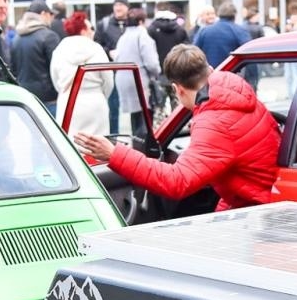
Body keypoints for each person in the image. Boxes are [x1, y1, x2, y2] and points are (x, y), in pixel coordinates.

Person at [73, 44, 280, 212]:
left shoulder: (214, 122)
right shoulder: (233, 90)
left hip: (257, 213)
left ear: (177, 90)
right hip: (253, 199)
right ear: (209, 70)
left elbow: (177, 181)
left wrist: (114, 154)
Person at [50, 12, 112, 135]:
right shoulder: (96, 49)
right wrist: (101, 94)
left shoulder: (60, 50)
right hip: (94, 100)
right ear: (83, 31)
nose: (92, 32)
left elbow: (55, 79)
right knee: (97, 145)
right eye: (90, 28)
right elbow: (108, 80)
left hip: (68, 101)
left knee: (70, 144)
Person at [111, 9, 160, 137]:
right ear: (141, 21)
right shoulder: (142, 35)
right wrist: (157, 73)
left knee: (135, 118)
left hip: (123, 81)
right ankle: (144, 149)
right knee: (145, 120)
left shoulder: (123, 37)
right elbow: (151, 63)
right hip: (139, 81)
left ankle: (137, 145)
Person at [11, 0, 61, 114]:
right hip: (49, 99)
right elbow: (57, 69)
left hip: (25, 99)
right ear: (43, 14)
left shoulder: (16, 39)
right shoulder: (49, 36)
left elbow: (13, 70)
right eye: (51, 14)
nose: (52, 18)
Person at [194, 2, 251, 68]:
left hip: (208, 73)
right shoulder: (240, 31)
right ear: (235, 15)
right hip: (232, 73)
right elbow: (249, 54)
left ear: (219, 14)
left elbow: (194, 52)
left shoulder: (204, 31)